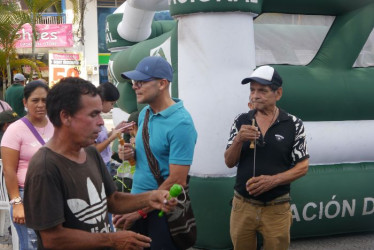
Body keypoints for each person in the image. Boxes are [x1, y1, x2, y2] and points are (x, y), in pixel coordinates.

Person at [22, 77, 177, 250]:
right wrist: (112, 240)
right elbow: (53, 238)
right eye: (93, 114)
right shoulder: (45, 167)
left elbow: (112, 200)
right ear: (65, 116)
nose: (101, 122)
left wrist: (151, 197)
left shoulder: (90, 153)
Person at [115, 56, 198, 249]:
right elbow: (148, 160)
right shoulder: (145, 113)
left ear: (162, 84)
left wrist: (139, 212)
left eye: (141, 82)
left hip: (161, 212)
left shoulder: (181, 123)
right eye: (134, 82)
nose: (135, 86)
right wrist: (130, 154)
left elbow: (178, 180)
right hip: (137, 203)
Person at [224, 65, 309, 250]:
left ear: (278, 93)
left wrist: (273, 180)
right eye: (252, 90)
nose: (255, 95)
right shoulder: (241, 121)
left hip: (277, 207)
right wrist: (238, 139)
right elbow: (229, 162)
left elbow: (303, 166)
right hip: (242, 206)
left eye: (262, 91)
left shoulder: (293, 124)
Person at [1, 80, 53, 250]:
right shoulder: (15, 130)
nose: (40, 105)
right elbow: (9, 170)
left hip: (54, 193)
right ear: (25, 103)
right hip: (27, 195)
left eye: (44, 100)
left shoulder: (57, 125)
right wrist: (17, 203)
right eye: (35, 100)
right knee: (32, 245)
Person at [96, 82, 132, 177]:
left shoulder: (98, 116)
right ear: (102, 100)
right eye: (111, 103)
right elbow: (93, 149)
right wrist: (112, 138)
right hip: (99, 165)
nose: (112, 107)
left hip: (105, 162)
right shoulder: (92, 118)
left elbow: (100, 139)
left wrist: (116, 130)